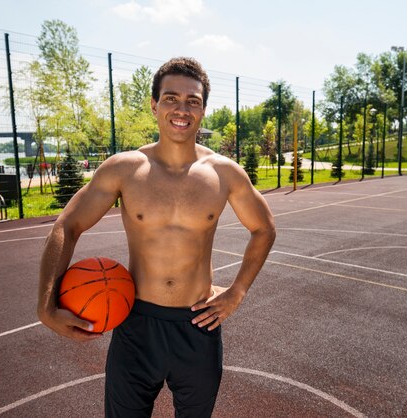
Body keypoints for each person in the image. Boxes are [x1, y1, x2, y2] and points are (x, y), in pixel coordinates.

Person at [37, 57, 276, 417]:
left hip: (198, 323)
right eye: (171, 98)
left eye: (192, 100)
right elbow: (66, 226)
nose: (182, 108)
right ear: (154, 105)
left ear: (203, 109)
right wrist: (46, 306)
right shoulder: (125, 168)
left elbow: (264, 228)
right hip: (136, 323)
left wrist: (237, 291)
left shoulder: (224, 173)